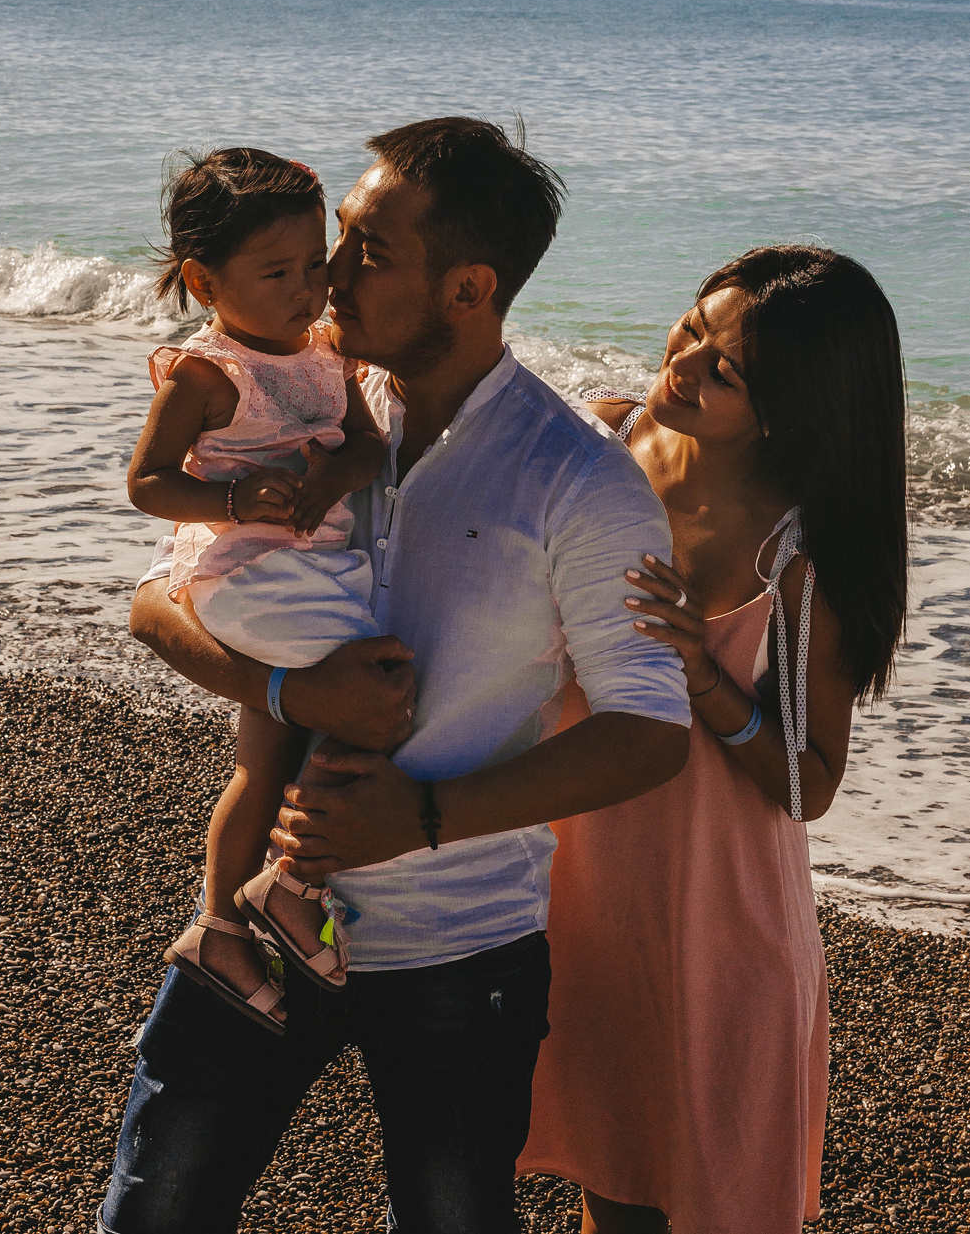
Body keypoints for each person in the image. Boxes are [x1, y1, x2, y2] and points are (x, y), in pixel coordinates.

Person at [99, 117, 692, 1234]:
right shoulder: (315, 400)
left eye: (369, 249)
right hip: (257, 915)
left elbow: (651, 728)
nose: (331, 270)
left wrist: (420, 815)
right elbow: (153, 601)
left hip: (462, 948)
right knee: (153, 1211)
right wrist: (290, 695)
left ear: (469, 288)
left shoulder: (578, 479)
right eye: (339, 239)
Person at [519, 246, 909, 1234]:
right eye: (691, 328)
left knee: (720, 1204)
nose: (682, 363)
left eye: (721, 368)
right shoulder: (597, 451)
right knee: (608, 1183)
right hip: (585, 898)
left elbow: (807, 781)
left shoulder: (794, 560)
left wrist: (702, 672)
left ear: (785, 408)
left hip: (718, 935)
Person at [126, 147, 387, 1030]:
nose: (305, 288)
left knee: (263, 757)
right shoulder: (207, 374)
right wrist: (232, 498)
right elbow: (149, 483)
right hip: (247, 574)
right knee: (377, 688)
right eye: (275, 271)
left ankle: (217, 926)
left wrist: (333, 474)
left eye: (314, 264)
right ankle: (294, 879)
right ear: (204, 279)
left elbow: (365, 445)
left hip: (313, 564)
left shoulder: (325, 354)